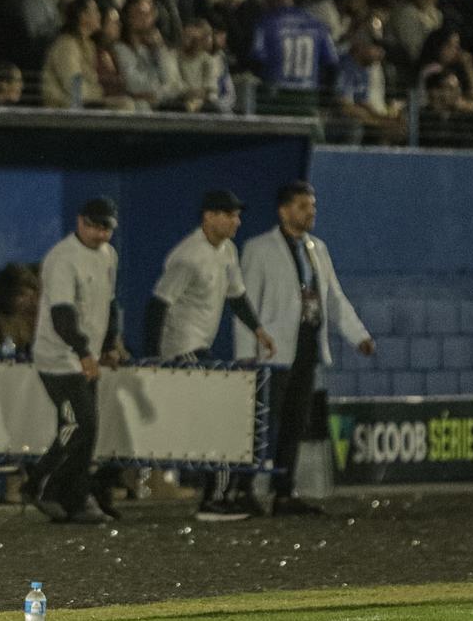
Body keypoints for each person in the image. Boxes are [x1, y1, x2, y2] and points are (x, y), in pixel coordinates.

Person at [235, 181, 375, 516]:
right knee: (259, 423)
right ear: (284, 211)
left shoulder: (317, 249)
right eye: (302, 206)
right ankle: (243, 489)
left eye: (312, 206)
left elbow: (333, 298)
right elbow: (245, 303)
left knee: (294, 422)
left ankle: (284, 491)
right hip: (272, 353)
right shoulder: (259, 249)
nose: (310, 212)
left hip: (306, 347)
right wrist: (246, 353)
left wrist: (358, 335)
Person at [143, 190, 276, 521]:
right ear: (208, 217)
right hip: (182, 349)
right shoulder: (188, 256)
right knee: (220, 416)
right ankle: (215, 499)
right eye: (229, 214)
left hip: (200, 346)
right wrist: (154, 358)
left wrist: (258, 330)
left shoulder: (227, 251)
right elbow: (158, 304)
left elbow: (236, 296)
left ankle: (225, 494)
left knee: (222, 415)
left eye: (237, 215)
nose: (236, 221)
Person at [23, 197, 126, 525]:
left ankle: (75, 497)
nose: (101, 234)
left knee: (85, 430)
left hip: (84, 357)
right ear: (80, 222)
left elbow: (109, 303)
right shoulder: (63, 258)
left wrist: (108, 345)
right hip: (59, 358)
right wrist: (83, 352)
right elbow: (62, 315)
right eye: (95, 227)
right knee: (79, 425)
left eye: (106, 228)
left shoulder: (108, 255)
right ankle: (40, 485)